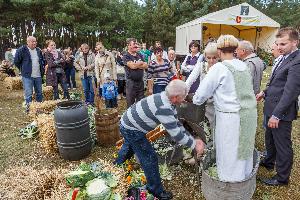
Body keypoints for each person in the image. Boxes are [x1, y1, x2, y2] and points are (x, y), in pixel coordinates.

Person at [114, 79, 205, 199]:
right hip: (132, 128)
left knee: (130, 145)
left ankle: (116, 166)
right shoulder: (164, 108)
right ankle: (156, 190)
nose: (184, 99)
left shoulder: (164, 97)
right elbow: (176, 134)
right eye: (183, 97)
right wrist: (194, 144)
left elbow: (176, 124)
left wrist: (191, 139)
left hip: (127, 122)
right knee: (149, 158)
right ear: (175, 97)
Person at [192, 35, 257, 182]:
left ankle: (230, 180)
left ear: (219, 51)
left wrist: (196, 99)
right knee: (244, 146)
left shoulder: (219, 68)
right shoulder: (243, 65)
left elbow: (199, 96)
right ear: (235, 49)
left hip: (230, 118)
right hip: (249, 114)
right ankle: (245, 175)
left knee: (229, 149)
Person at [256, 27, 300, 186]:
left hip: (281, 112)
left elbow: (290, 92)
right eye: (277, 44)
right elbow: (277, 83)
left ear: (295, 42)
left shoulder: (297, 60)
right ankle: (269, 161)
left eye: (283, 43)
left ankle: (282, 178)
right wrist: (264, 92)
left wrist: (277, 115)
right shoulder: (285, 57)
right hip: (271, 107)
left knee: (282, 145)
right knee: (270, 139)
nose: (279, 47)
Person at [186, 42, 218, 130]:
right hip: (202, 101)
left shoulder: (221, 68)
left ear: (219, 56)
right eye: (209, 58)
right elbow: (189, 81)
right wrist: (183, 92)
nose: (211, 61)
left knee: (213, 126)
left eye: (214, 58)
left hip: (215, 103)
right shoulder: (201, 66)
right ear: (205, 56)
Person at [14, 36, 45, 112]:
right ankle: (29, 109)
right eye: (32, 41)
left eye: (35, 41)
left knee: (39, 93)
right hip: (27, 76)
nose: (34, 43)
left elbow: (41, 61)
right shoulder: (22, 50)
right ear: (27, 42)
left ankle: (39, 109)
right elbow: (16, 61)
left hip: (38, 75)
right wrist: (23, 69)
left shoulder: (38, 50)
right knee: (28, 93)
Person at [123, 38, 148, 108]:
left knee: (141, 103)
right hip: (131, 83)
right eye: (134, 44)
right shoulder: (126, 56)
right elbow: (132, 66)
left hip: (140, 82)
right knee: (130, 103)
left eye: (136, 44)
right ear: (128, 45)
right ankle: (130, 118)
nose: (136, 46)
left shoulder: (139, 54)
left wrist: (137, 64)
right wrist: (140, 63)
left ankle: (139, 118)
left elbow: (146, 66)